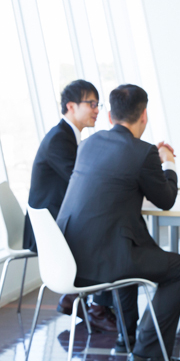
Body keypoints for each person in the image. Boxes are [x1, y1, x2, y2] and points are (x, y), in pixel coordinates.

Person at [56, 84, 180, 361]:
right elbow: (166, 199)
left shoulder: (88, 145)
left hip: (66, 257)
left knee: (131, 250)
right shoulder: (143, 152)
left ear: (109, 117)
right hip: (104, 261)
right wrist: (168, 163)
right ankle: (147, 354)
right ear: (144, 115)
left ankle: (127, 338)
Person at [22, 80, 115, 332]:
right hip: (48, 227)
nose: (97, 109)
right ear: (71, 106)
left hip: (58, 219)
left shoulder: (68, 137)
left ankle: (77, 298)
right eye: (91, 103)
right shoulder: (59, 140)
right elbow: (79, 182)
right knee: (110, 234)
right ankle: (96, 306)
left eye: (98, 104)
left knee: (107, 228)